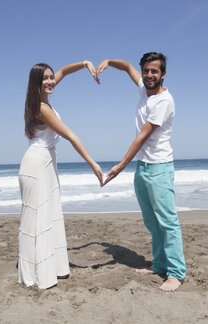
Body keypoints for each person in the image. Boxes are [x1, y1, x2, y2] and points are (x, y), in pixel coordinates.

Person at [97, 52, 186, 291]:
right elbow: (126, 66)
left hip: (159, 168)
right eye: (146, 70)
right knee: (151, 221)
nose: (148, 75)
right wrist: (108, 62)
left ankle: (176, 273)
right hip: (144, 168)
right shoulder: (143, 89)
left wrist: (121, 165)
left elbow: (143, 136)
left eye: (154, 71)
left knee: (167, 223)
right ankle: (159, 265)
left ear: (163, 74)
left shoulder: (164, 101)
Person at [18, 61, 103, 289]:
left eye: (51, 77)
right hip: (36, 165)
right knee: (37, 219)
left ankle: (53, 268)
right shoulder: (42, 108)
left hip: (46, 162)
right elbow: (70, 135)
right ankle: (36, 274)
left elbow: (63, 71)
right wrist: (92, 163)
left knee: (49, 215)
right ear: (36, 82)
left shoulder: (41, 98)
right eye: (45, 78)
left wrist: (85, 63)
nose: (50, 81)